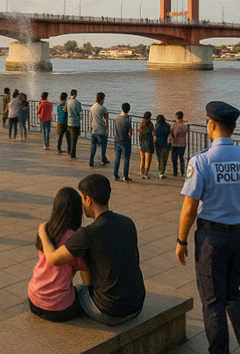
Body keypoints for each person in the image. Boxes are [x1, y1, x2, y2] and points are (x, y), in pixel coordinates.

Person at [175, 101, 240, 354]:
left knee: (213, 302)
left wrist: (181, 241)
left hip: (212, 239)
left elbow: (190, 208)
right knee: (233, 293)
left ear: (212, 124)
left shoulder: (201, 161)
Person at [38, 174, 146, 325]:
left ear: (88, 200)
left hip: (110, 312)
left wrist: (42, 231)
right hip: (137, 305)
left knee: (78, 291)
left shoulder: (87, 233)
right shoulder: (128, 222)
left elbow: (53, 258)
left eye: (82, 199)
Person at [28, 187, 90, 321]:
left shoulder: (46, 229)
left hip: (33, 298)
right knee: (82, 293)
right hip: (58, 307)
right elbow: (86, 275)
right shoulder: (73, 239)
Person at [89, 92, 110, 168]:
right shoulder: (104, 109)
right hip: (101, 130)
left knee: (93, 146)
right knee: (103, 147)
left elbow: (91, 119)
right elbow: (106, 120)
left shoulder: (92, 107)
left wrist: (90, 128)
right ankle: (103, 159)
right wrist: (107, 129)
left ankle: (91, 161)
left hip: (94, 130)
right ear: (102, 99)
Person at [113, 103, 133, 182]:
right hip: (125, 141)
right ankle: (125, 176)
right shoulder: (127, 120)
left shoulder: (117, 118)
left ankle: (115, 174)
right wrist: (130, 135)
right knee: (126, 159)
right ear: (128, 110)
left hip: (117, 140)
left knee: (117, 157)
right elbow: (129, 131)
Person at [170, 111, 188, 177]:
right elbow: (186, 131)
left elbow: (171, 132)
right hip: (182, 144)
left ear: (176, 116)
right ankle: (182, 172)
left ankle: (175, 172)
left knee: (174, 159)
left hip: (174, 144)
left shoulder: (173, 125)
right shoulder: (185, 125)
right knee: (181, 158)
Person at [153, 114, 171, 179]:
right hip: (165, 143)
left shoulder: (157, 125)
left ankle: (160, 171)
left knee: (159, 157)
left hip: (158, 143)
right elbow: (170, 135)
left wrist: (153, 143)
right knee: (164, 158)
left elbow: (155, 135)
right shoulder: (168, 126)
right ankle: (162, 172)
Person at [66, 90, 82, 159]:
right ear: (75, 94)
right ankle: (73, 154)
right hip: (75, 123)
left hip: (68, 122)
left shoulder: (67, 102)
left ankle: (69, 151)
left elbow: (65, 109)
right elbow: (79, 111)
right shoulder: (77, 102)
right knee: (74, 140)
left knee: (69, 139)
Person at [137, 112, 154, 178]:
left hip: (142, 144)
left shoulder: (142, 124)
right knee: (148, 160)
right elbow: (150, 133)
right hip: (149, 144)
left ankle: (141, 172)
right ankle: (146, 173)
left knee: (142, 160)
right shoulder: (150, 124)